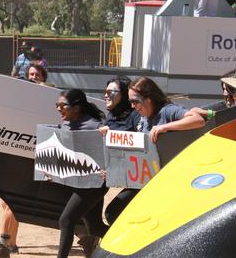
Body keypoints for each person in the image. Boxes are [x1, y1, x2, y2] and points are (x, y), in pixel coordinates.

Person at [103, 77, 205, 225]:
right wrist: (113, 171)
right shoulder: (143, 117)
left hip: (166, 183)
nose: (132, 106)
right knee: (113, 212)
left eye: (135, 101)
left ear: (148, 99)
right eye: (130, 101)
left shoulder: (167, 110)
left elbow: (197, 120)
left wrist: (165, 127)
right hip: (145, 182)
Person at [55, 89, 109, 258]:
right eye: (57, 105)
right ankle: (134, 244)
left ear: (77, 107)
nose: (58, 108)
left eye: (63, 105)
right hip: (80, 182)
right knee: (95, 227)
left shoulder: (94, 125)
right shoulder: (66, 124)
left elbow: (112, 148)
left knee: (66, 220)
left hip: (95, 184)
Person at [97, 76, 140, 225]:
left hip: (142, 179)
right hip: (122, 175)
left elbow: (141, 145)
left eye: (111, 91)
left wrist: (112, 133)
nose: (106, 95)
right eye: (105, 91)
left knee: (112, 214)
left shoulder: (136, 115)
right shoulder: (111, 116)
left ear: (124, 95)